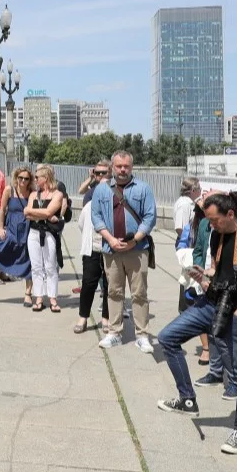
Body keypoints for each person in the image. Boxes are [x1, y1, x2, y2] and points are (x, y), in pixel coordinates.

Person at [158, 192, 237, 455]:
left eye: (215, 220)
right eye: (209, 220)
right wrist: (202, 275)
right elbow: (217, 270)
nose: (211, 225)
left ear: (230, 214)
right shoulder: (217, 235)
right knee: (167, 337)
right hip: (212, 303)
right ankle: (187, 399)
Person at [91, 150, 158, 352]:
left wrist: (134, 240)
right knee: (113, 292)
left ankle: (142, 334)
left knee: (139, 293)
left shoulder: (143, 188)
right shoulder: (102, 190)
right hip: (110, 249)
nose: (122, 169)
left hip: (136, 249)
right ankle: (114, 332)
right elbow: (96, 217)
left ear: (132, 167)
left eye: (126, 166)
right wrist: (110, 239)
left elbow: (149, 217)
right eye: (119, 166)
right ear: (112, 167)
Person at [74, 161, 111, 334]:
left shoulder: (116, 202)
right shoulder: (89, 202)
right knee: (88, 284)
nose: (102, 176)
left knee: (110, 286)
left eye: (105, 173)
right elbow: (82, 224)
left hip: (111, 249)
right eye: (99, 173)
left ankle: (106, 318)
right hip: (92, 249)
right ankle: (83, 317)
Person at [25, 165, 66, 313]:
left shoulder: (57, 194)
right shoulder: (33, 195)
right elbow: (27, 214)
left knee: (50, 266)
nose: (34, 180)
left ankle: (53, 298)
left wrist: (34, 211)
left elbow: (49, 211)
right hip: (34, 233)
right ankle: (39, 297)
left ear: (45, 178)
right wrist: (44, 214)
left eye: (37, 177)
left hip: (49, 234)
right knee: (36, 267)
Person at [173, 177, 200, 246]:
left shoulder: (189, 203)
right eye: (199, 188)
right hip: (186, 244)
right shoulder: (184, 204)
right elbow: (180, 228)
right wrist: (188, 244)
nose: (201, 190)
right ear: (193, 190)